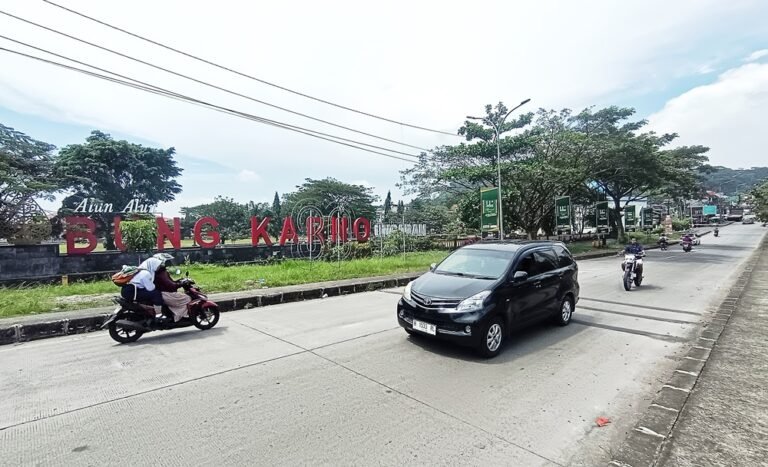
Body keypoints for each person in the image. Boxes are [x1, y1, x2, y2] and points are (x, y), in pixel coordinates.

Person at [120, 253, 173, 323]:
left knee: (150, 294)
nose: (159, 267)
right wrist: (155, 286)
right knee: (156, 294)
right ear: (153, 265)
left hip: (129, 290)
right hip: (131, 292)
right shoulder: (146, 273)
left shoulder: (143, 271)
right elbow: (150, 288)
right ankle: (158, 315)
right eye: (158, 266)